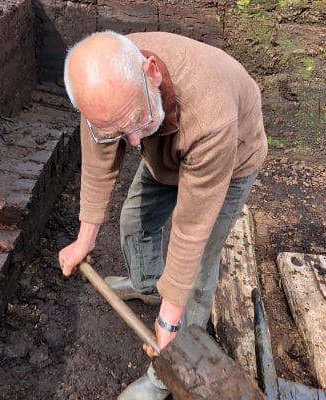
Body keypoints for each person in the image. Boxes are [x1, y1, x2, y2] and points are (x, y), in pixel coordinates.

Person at [58, 30, 267, 400]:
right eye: (116, 131)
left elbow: (191, 227)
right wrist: (84, 239)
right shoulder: (103, 90)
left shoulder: (210, 115)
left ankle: (172, 368)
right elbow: (98, 163)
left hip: (229, 159)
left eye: (135, 119)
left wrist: (170, 318)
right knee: (135, 222)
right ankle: (147, 286)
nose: (133, 144)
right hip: (169, 148)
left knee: (199, 267)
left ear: (151, 72)